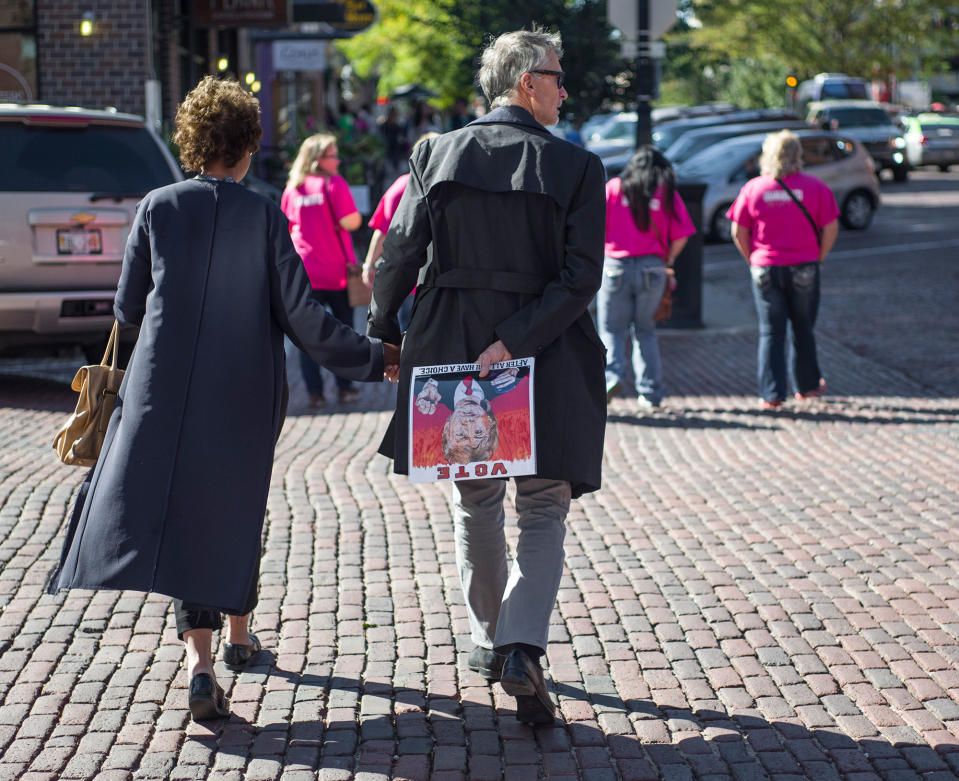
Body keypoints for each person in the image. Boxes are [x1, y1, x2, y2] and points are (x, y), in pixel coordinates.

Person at [46, 76, 398, 721]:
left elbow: (126, 313)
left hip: (162, 387)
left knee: (184, 516)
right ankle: (236, 635)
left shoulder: (157, 207)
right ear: (247, 144)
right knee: (235, 509)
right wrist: (378, 359)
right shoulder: (264, 213)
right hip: (241, 388)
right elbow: (304, 320)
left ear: (193, 140)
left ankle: (202, 661)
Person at [368, 27, 606, 726]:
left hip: (456, 351)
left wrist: (385, 332)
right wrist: (518, 339)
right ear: (527, 82)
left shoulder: (434, 153)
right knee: (542, 507)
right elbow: (580, 279)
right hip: (546, 351)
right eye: (558, 76)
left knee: (476, 506)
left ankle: (484, 636)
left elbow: (398, 255)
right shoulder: (576, 167)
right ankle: (522, 644)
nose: (565, 89)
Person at [726, 129, 839, 408]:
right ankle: (807, 385)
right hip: (804, 265)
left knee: (771, 332)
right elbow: (831, 227)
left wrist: (753, 258)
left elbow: (737, 230)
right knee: (803, 328)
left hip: (766, 266)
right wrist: (818, 256)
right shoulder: (815, 187)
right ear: (798, 156)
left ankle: (772, 393)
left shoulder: (754, 188)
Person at [598, 145, 696, 408]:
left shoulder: (615, 187)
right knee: (645, 330)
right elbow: (683, 233)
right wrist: (668, 260)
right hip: (653, 268)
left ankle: (611, 376)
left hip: (615, 266)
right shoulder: (665, 193)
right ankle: (650, 392)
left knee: (611, 329)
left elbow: (595, 228)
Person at [281, 133, 363, 407]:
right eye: (333, 155)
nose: (338, 160)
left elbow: (287, 228)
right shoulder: (334, 184)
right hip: (336, 272)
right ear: (318, 159)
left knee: (308, 338)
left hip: (305, 273)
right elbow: (351, 222)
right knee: (343, 332)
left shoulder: (293, 188)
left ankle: (315, 394)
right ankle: (345, 388)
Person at [362, 132, 440, 330]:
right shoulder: (450, 186)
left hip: (408, 278)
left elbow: (383, 230)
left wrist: (369, 265)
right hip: (437, 280)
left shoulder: (401, 186)